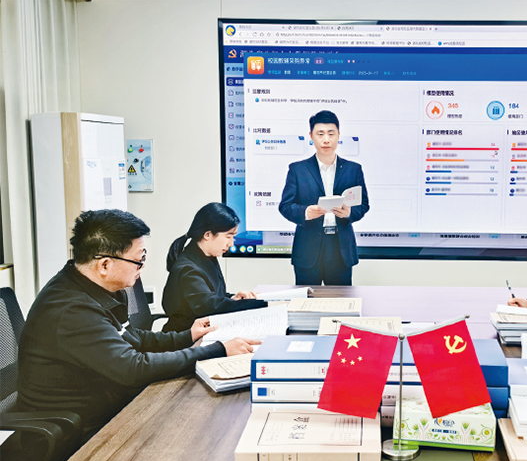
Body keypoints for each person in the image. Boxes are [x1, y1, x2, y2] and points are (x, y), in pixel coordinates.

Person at [17, 209, 260, 438]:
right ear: (105, 265)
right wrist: (218, 350)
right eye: (138, 260)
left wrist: (187, 335)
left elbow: (132, 337)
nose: (141, 268)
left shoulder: (96, 287)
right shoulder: (72, 310)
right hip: (79, 429)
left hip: (111, 403)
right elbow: (133, 368)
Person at [278, 110, 369, 285]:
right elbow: (285, 206)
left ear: (338, 135)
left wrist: (349, 213)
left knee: (340, 299)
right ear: (311, 136)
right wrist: (306, 212)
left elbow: (364, 204)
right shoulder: (297, 170)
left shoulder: (353, 169)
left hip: (340, 248)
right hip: (308, 248)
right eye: (320, 134)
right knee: (307, 298)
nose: (326, 139)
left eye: (331, 133)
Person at [162, 202, 269, 332]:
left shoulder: (206, 256)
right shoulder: (188, 269)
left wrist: (233, 298)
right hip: (184, 338)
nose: (231, 244)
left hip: (204, 331)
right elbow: (209, 307)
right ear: (207, 235)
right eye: (228, 236)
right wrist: (265, 304)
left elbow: (213, 296)